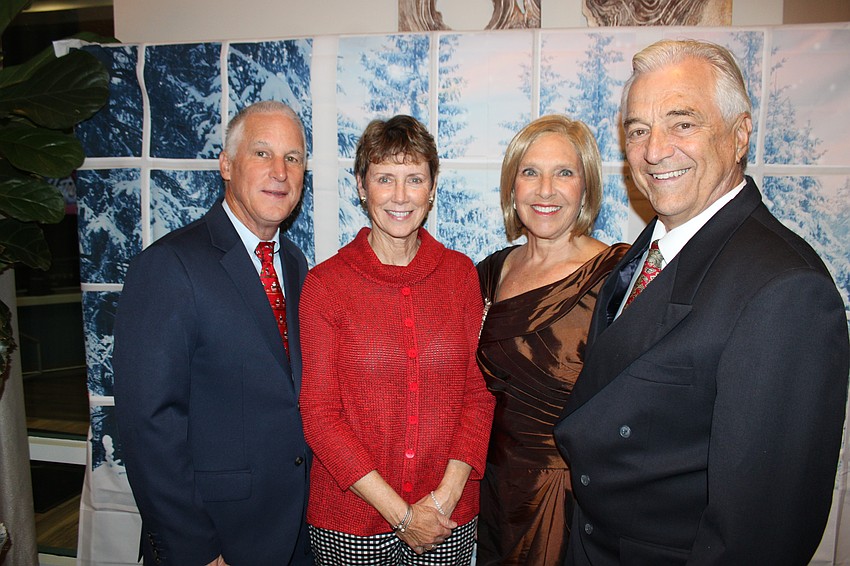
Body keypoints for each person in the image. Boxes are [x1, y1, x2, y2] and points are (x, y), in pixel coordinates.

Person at [554, 39, 850, 566]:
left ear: (740, 135)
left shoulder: (785, 290)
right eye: (638, 130)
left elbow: (761, 535)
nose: (654, 150)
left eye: (682, 123)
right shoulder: (650, 247)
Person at [113, 101, 313, 565]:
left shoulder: (296, 265)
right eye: (262, 153)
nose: (280, 172)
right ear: (226, 164)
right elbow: (149, 425)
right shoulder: (168, 265)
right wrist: (197, 549)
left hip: (295, 535)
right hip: (215, 541)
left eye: (294, 157)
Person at [299, 114, 495, 565]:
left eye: (414, 179)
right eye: (385, 178)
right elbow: (320, 415)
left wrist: (442, 500)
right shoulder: (326, 284)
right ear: (362, 187)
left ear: (432, 189)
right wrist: (402, 515)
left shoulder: (460, 275)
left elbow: (478, 396)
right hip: (349, 524)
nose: (401, 196)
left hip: (445, 517)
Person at [475, 115, 629, 566]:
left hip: (573, 500)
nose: (546, 190)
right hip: (493, 492)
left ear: (586, 187)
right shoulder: (489, 272)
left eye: (564, 172)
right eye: (530, 172)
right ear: (512, 187)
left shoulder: (618, 278)